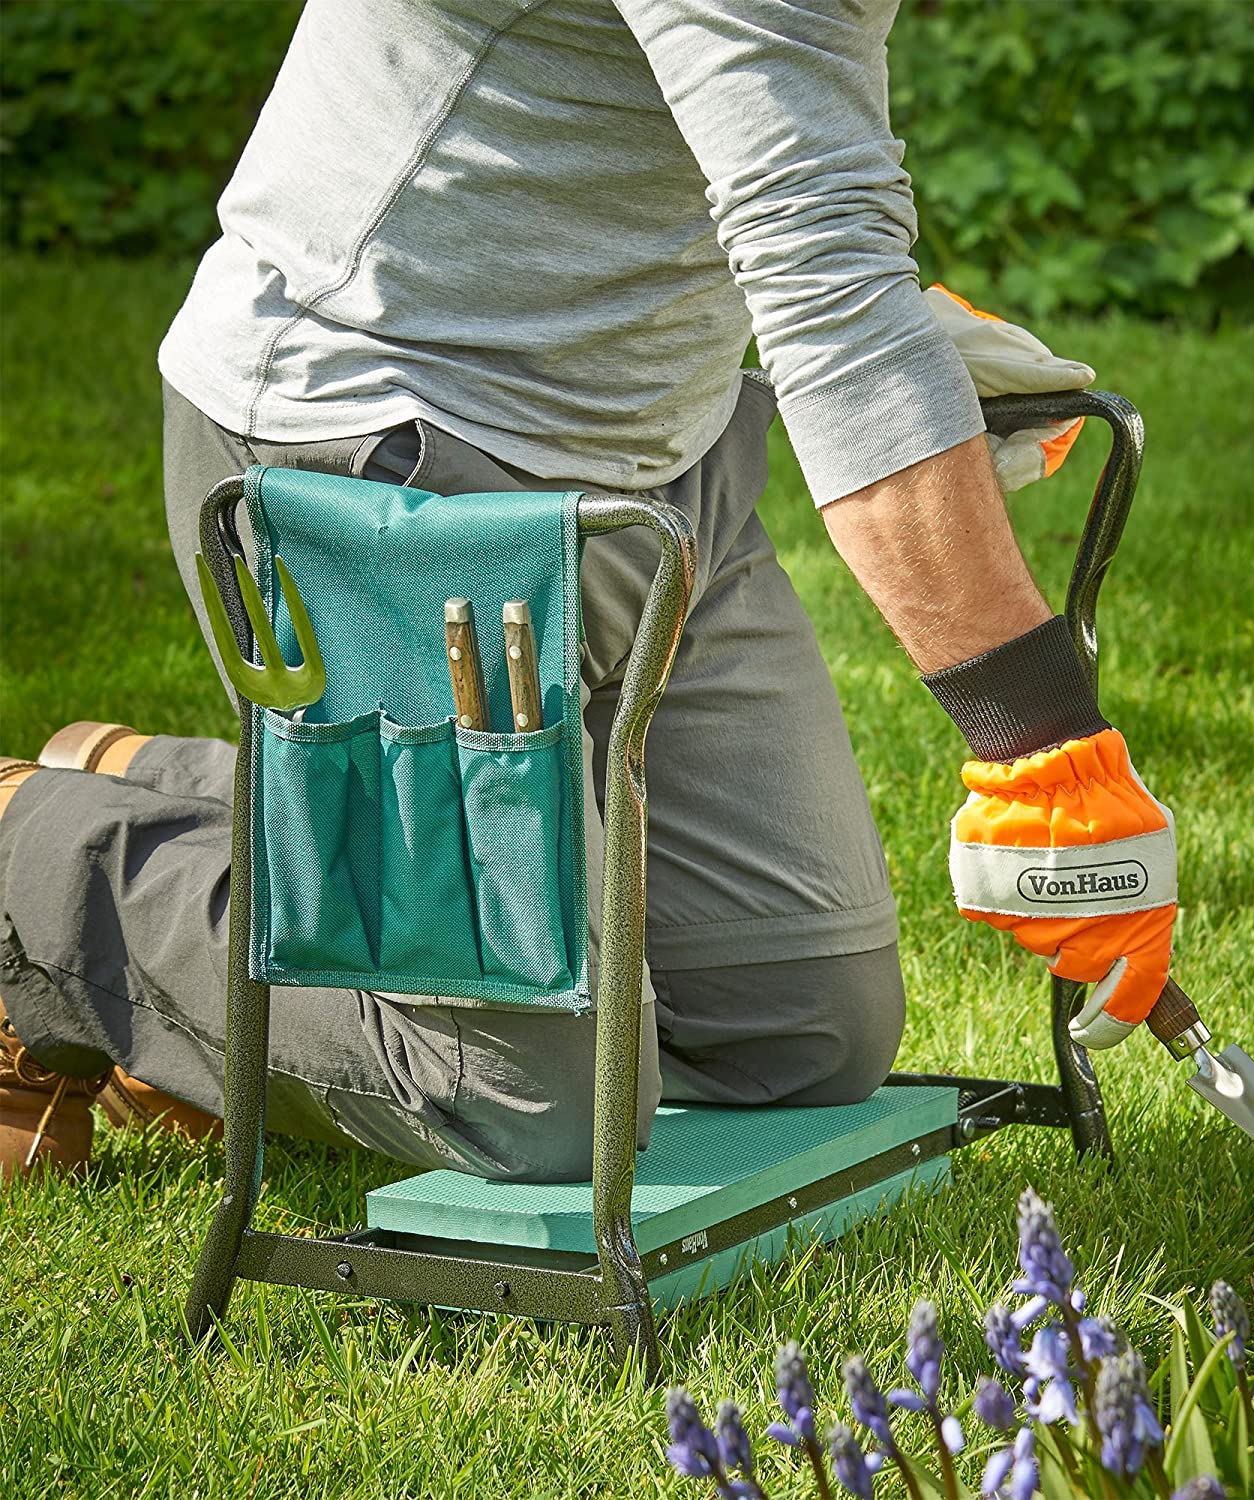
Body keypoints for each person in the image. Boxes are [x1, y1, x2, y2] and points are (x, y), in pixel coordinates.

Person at [0, 0, 1176, 1184]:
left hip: (654, 464)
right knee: (528, 1105)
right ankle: (34, 860)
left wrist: (895, 331)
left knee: (798, 1037)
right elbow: (826, 283)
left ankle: (195, 792)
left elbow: (762, 121)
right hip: (384, 452)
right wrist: (1039, 742)